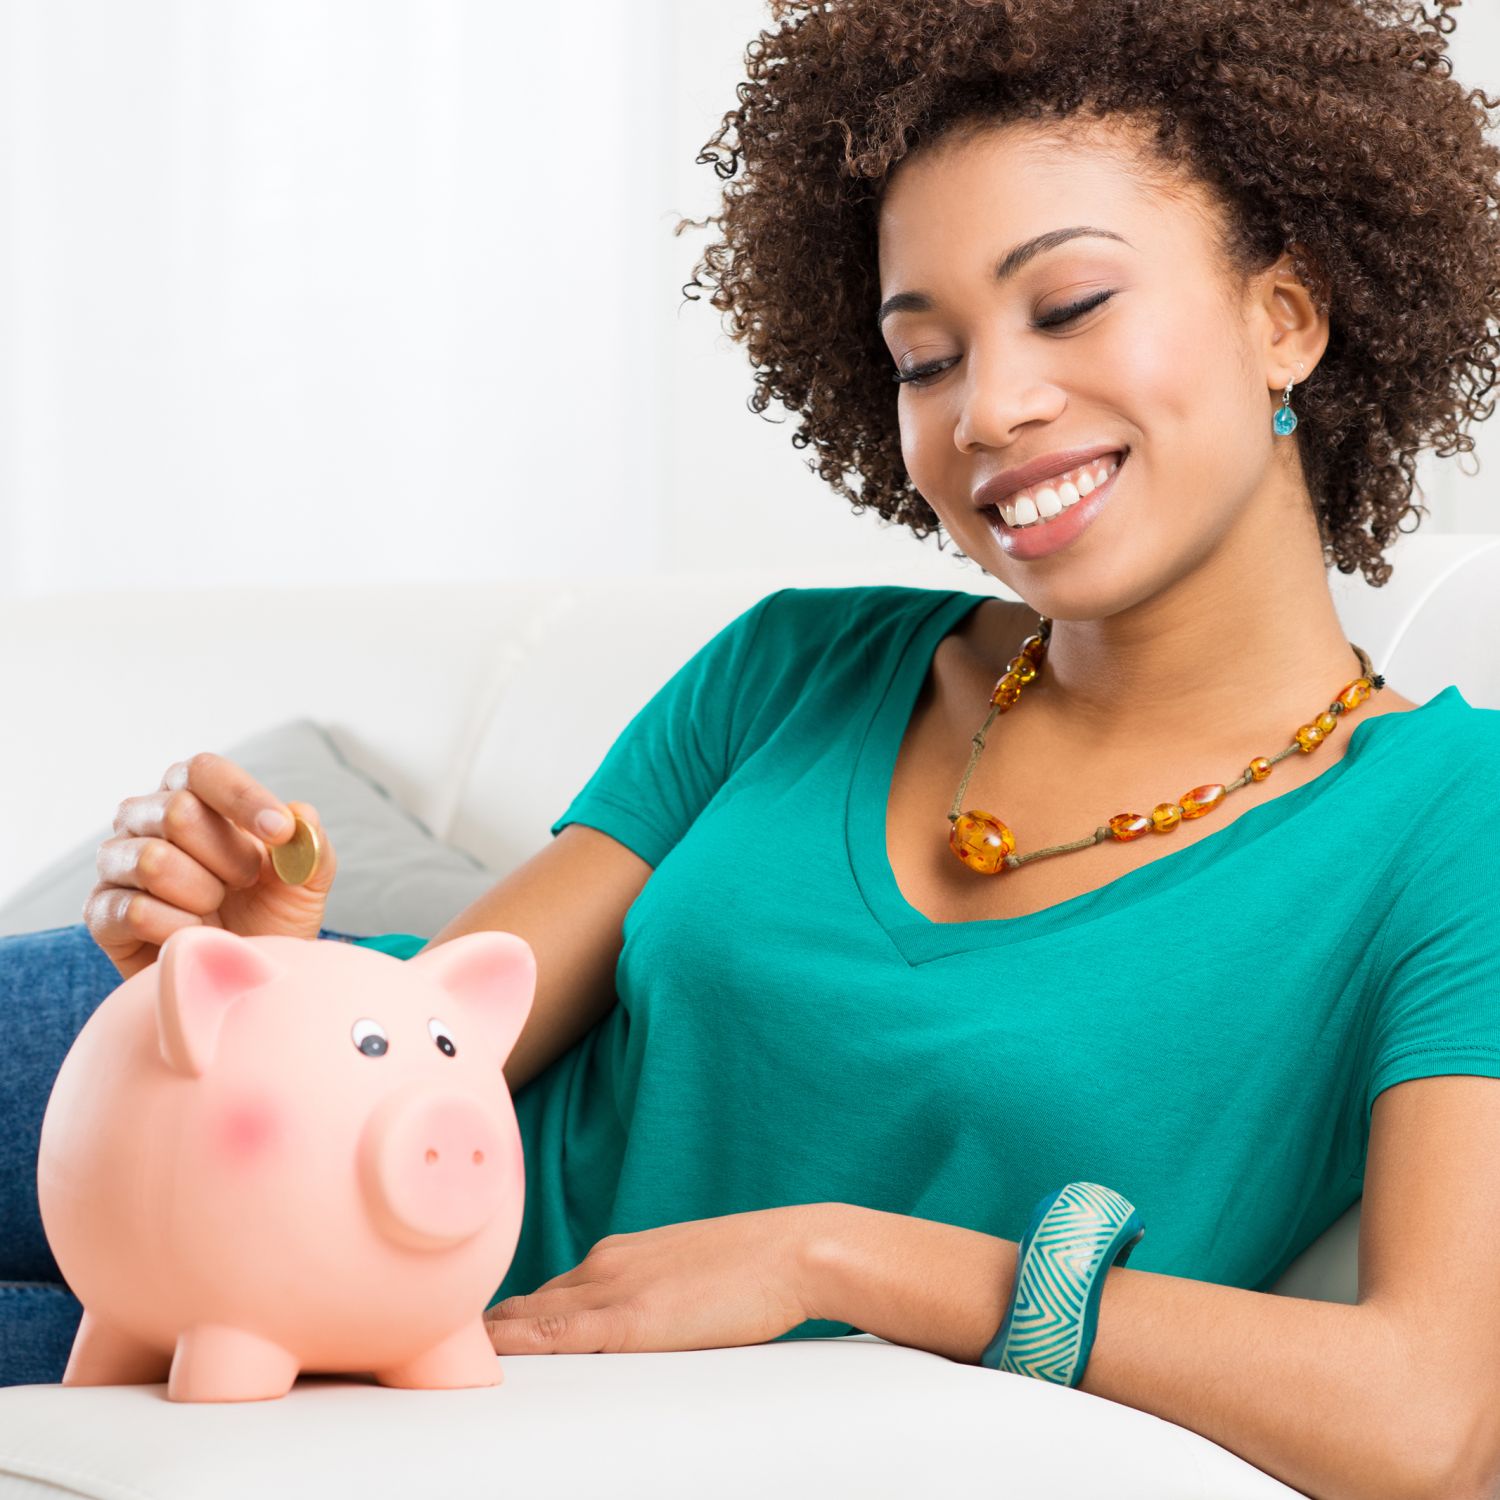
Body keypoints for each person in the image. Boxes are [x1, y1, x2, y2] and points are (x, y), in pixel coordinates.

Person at [5, 0, 1500, 1490]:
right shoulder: (799, 668)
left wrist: (837, 1260)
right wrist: (293, 986)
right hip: (274, 1196)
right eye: (924, 359)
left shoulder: (1450, 827)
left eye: (1070, 305)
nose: (992, 408)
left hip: (439, 1380)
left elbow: (1427, 1420)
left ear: (1285, 317)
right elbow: (431, 1066)